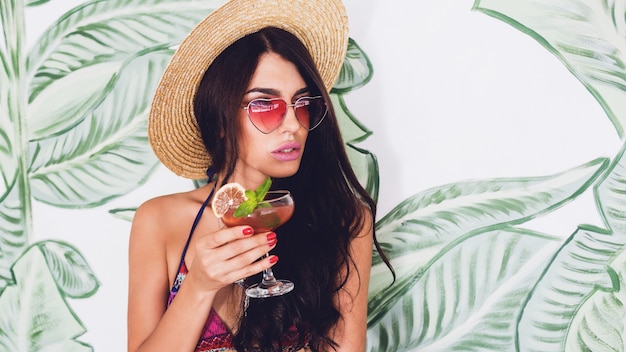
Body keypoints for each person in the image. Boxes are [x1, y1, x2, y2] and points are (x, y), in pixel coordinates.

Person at [127, 0, 394, 351]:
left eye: (302, 103)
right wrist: (199, 286)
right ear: (221, 121)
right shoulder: (159, 221)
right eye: (265, 106)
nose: (292, 125)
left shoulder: (343, 220)